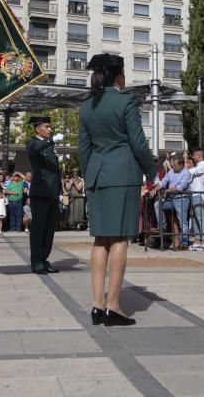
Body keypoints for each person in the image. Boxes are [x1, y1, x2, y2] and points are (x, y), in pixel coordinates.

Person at [78, 53, 154, 327]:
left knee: (100, 240)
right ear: (118, 75)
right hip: (123, 174)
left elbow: (83, 148)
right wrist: (152, 172)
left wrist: (89, 176)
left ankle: (97, 305)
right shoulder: (125, 101)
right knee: (120, 239)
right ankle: (114, 306)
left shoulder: (87, 105)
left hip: (97, 176)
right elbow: (138, 143)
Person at [26, 116, 65, 274]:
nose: (50, 129)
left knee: (49, 229)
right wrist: (51, 140)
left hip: (53, 192)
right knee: (38, 228)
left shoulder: (49, 146)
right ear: (37, 129)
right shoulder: (32, 142)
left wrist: (60, 191)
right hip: (40, 192)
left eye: (50, 127)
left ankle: (44, 258)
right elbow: (35, 150)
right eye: (47, 126)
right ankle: (36, 262)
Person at [187, 148, 204, 250]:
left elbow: (189, 172)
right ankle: (197, 239)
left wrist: (184, 159)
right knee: (194, 218)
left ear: (199, 156)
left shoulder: (203, 166)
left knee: (200, 218)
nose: (193, 157)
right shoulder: (198, 165)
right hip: (193, 194)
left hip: (198, 194)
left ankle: (203, 241)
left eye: (194, 156)